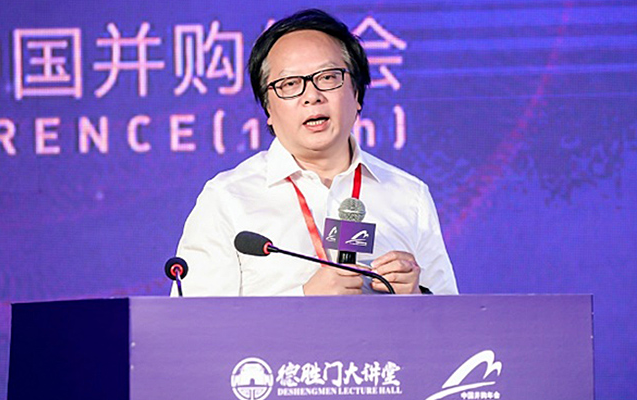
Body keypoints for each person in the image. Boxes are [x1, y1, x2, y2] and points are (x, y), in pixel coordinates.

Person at [173, 9, 457, 296]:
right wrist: (305, 298)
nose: (312, 96)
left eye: (328, 77)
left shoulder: (409, 196)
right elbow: (197, 319)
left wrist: (417, 298)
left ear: (356, 94)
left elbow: (453, 317)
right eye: (290, 84)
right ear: (268, 109)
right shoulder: (228, 198)